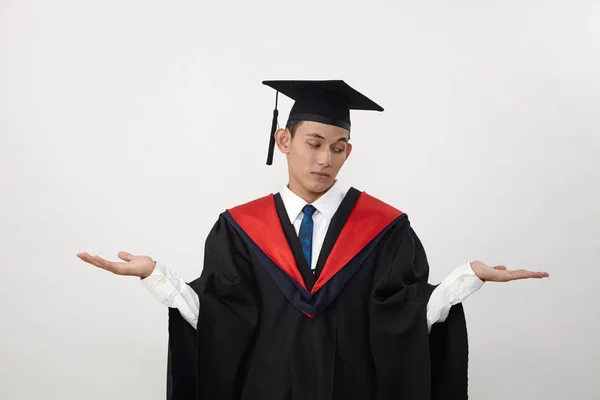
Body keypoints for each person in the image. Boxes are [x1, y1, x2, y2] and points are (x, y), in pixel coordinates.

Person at [77, 80, 549, 400]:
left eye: (338, 146)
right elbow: (221, 315)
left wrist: (465, 279)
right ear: (284, 140)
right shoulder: (239, 227)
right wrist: (157, 277)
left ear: (349, 150)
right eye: (314, 142)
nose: (326, 158)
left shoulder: (385, 227)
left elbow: (403, 316)